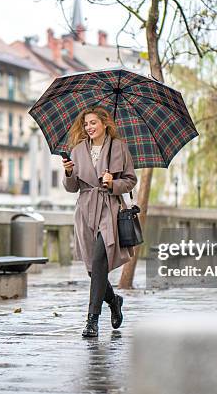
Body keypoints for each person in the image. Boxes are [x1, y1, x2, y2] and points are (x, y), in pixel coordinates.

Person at [62, 106, 138, 338]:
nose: (89, 127)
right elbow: (72, 187)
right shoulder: (76, 151)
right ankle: (114, 301)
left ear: (105, 123)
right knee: (93, 270)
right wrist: (68, 173)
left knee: (98, 260)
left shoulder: (119, 147)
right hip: (85, 210)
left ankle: (92, 320)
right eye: (86, 124)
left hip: (108, 208)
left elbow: (130, 180)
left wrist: (112, 183)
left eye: (93, 122)